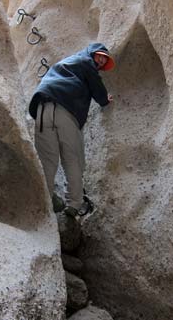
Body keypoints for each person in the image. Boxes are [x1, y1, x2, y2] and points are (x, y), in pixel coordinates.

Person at [28, 43, 115, 216]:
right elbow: (97, 88)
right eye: (99, 56)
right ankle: (74, 205)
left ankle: (45, 199)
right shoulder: (85, 61)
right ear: (91, 53)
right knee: (72, 159)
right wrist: (105, 100)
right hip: (64, 110)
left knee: (47, 158)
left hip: (42, 107)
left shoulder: (65, 63)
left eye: (104, 60)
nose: (100, 60)